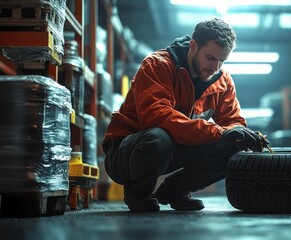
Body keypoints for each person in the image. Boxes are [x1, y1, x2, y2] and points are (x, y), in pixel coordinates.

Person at [102, 18, 268, 212]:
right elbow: (156, 117)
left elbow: (234, 122)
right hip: (127, 155)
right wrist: (218, 132)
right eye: (211, 58)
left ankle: (175, 191)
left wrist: (242, 135)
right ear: (193, 46)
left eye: (223, 61)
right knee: (158, 138)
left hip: (173, 150)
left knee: (236, 144)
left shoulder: (222, 81)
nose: (216, 67)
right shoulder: (158, 65)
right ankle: (139, 194)